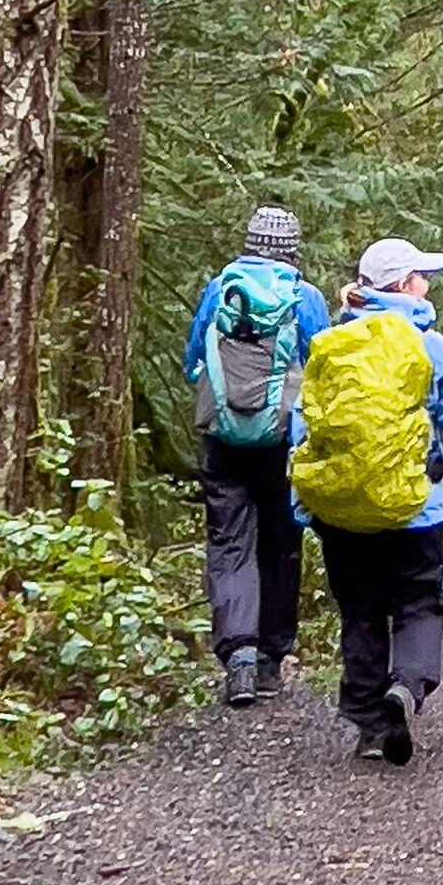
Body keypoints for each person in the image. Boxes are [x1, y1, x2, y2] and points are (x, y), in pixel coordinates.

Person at [294, 237, 443, 766]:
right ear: (405, 285)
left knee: (360, 611)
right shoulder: (435, 350)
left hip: (343, 509)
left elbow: (304, 428)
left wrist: (301, 498)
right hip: (415, 510)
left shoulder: (331, 345)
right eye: (422, 277)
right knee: (417, 602)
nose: (427, 285)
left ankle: (368, 726)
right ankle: (406, 686)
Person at [185, 205, 329, 709]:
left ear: (248, 244)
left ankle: (238, 657)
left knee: (229, 544)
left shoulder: (219, 289)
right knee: (281, 544)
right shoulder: (305, 298)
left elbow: (192, 362)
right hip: (283, 441)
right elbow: (321, 368)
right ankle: (269, 659)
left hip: (223, 440)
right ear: (292, 249)